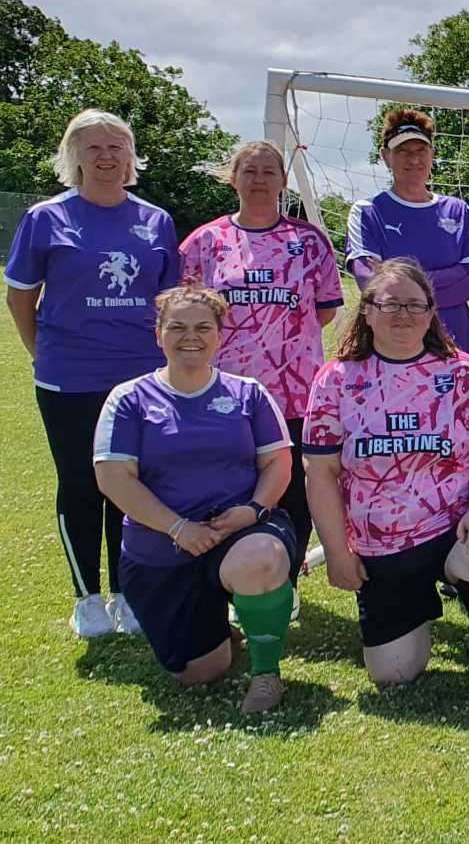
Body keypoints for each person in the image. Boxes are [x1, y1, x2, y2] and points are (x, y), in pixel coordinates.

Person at [303, 259, 469, 688]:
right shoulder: (337, 380)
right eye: (391, 304)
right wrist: (337, 550)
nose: (404, 315)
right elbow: (320, 473)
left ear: (431, 313)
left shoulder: (460, 373)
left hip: (452, 526)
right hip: (381, 543)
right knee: (394, 674)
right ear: (366, 310)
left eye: (415, 305)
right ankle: (414, 608)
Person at [6, 108, 179, 638]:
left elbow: (169, 302)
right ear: (74, 156)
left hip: (141, 380)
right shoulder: (46, 218)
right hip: (70, 378)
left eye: (116, 148)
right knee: (81, 484)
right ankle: (88, 598)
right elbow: (19, 296)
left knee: (131, 486)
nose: (106, 158)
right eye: (94, 148)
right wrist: (44, 354)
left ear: (131, 157)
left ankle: (129, 594)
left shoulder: (156, 221)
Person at [93, 285, 298, 712]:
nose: (192, 337)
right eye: (178, 327)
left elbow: (278, 465)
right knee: (197, 673)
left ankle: (266, 676)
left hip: (241, 528)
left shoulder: (248, 394)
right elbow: (113, 478)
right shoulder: (129, 399)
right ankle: (225, 633)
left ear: (220, 335)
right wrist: (178, 527)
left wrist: (253, 510)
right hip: (162, 545)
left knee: (260, 556)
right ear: (158, 334)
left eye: (204, 327)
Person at [180, 140, 345, 550]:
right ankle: (230, 571)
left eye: (268, 171)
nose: (258, 180)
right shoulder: (205, 241)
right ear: (232, 178)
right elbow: (183, 317)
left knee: (290, 487)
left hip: (294, 392)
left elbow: (324, 311)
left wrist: (280, 342)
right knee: (227, 483)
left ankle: (285, 577)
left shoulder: (308, 241)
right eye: (249, 171)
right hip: (222, 391)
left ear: (283, 181)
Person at [345, 109, 469, 357]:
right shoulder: (368, 212)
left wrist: (402, 292)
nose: (413, 160)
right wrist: (452, 273)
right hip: (393, 341)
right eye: (403, 151)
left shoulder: (456, 210)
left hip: (453, 341)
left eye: (421, 151)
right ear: (386, 157)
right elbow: (370, 283)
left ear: (432, 154)